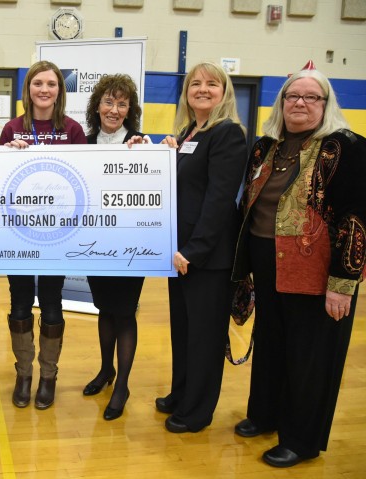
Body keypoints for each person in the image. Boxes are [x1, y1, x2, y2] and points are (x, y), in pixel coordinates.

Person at [231, 67, 366, 467]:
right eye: (293, 96)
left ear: (326, 104)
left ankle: (301, 439)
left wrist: (343, 282)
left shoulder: (346, 147)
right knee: (271, 342)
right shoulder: (266, 146)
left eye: (311, 97)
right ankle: (265, 414)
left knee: (309, 355)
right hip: (267, 261)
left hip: (316, 269)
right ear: (282, 103)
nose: (300, 104)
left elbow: (356, 216)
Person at [132, 62, 247, 433]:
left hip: (205, 258)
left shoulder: (227, 133)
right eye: (195, 83)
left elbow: (218, 199)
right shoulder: (188, 131)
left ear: (224, 91)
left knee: (204, 338)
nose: (202, 89)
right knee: (183, 332)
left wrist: (194, 250)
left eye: (211, 84)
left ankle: (197, 411)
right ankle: (181, 393)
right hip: (180, 254)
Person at [0, 60, 87, 410]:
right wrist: (8, 154)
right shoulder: (12, 128)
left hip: (57, 234)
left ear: (59, 91)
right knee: (19, 301)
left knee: (51, 302)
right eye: (38, 83)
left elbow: (85, 178)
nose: (44, 90)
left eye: (51, 84)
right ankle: (24, 374)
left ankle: (48, 375)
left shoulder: (73, 129)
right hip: (19, 233)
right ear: (28, 89)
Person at [82, 74, 146, 420]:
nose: (114, 109)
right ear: (97, 106)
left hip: (130, 245)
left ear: (129, 110)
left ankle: (122, 384)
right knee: (104, 308)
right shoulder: (85, 142)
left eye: (122, 104)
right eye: (108, 102)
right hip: (95, 243)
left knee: (124, 311)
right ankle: (106, 370)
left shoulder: (138, 145)